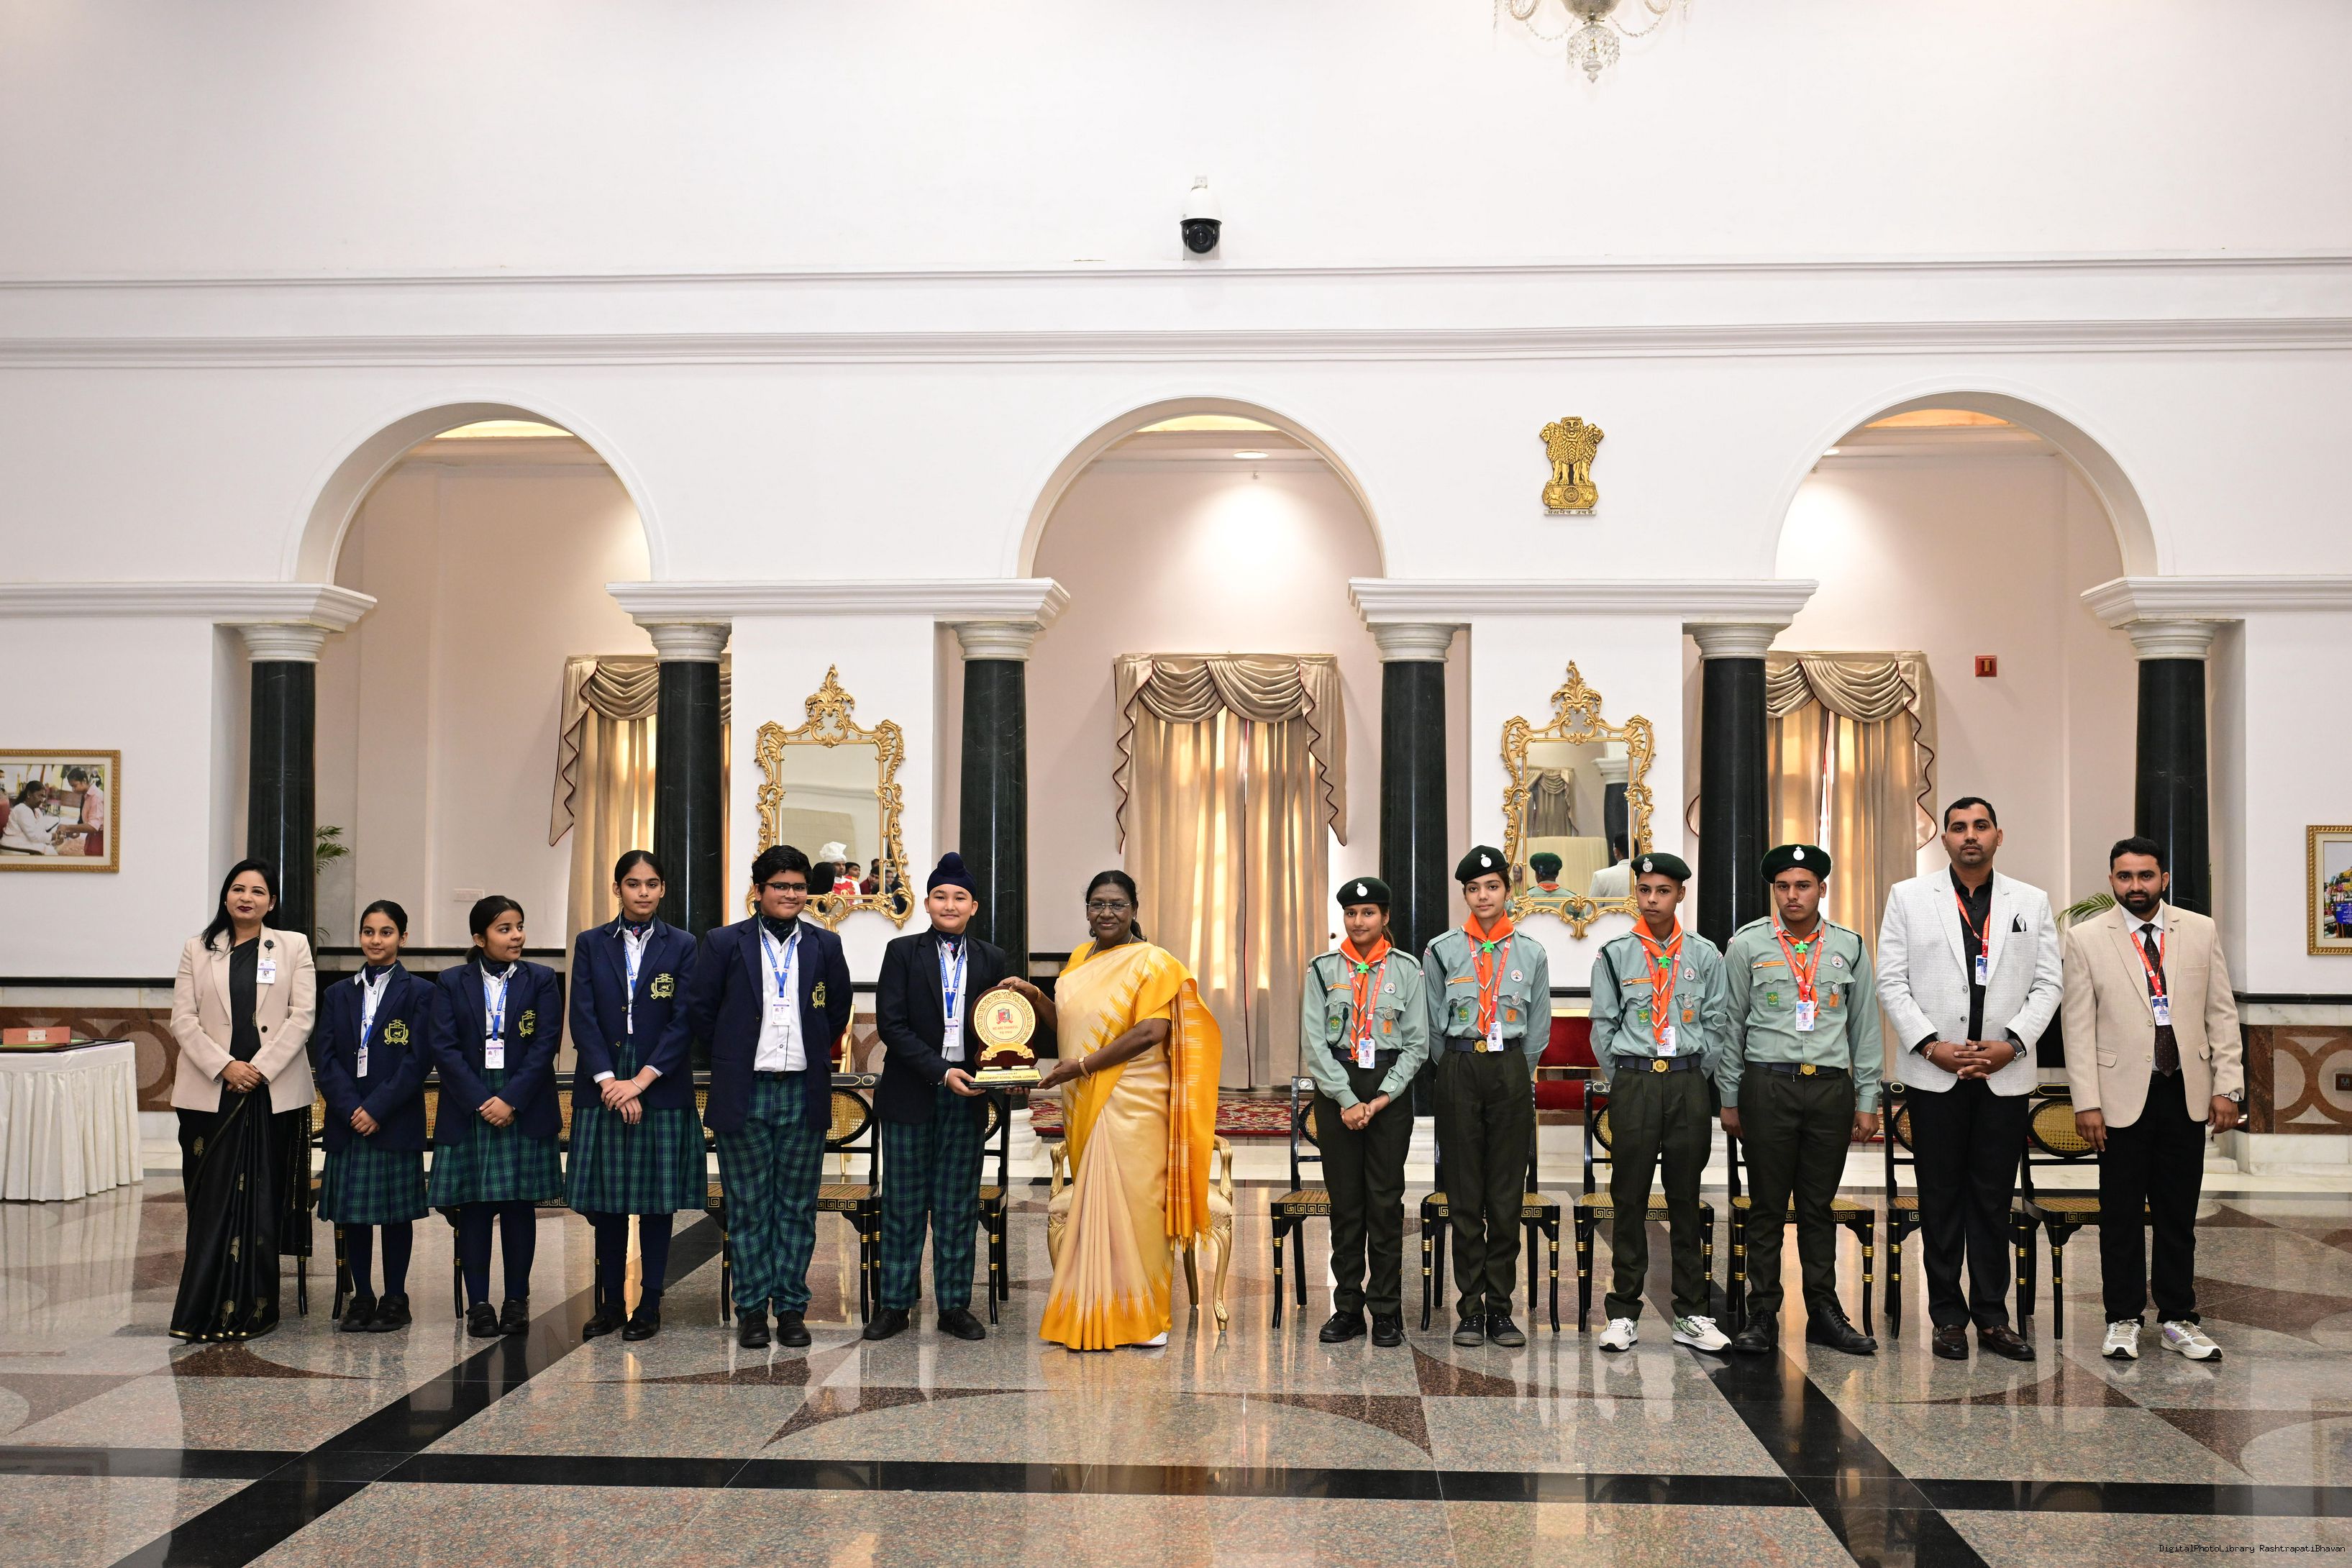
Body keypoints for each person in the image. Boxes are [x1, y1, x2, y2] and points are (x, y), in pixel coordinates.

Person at [1876, 797, 2061, 1362]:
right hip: (1935, 1073)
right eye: (1958, 827)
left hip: (2004, 1074)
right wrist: (1930, 1045)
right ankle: (1947, 1318)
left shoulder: (2031, 901)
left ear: (1999, 835)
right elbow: (1891, 981)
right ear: (1945, 840)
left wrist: (2013, 1043)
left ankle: (1993, 1317)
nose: (1970, 835)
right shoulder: (1909, 897)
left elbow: (2048, 984)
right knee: (1939, 1198)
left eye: (1980, 826)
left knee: (1992, 1198)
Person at [2062, 836, 2244, 1362]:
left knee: (2177, 1216)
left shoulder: (2200, 930)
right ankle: (2121, 1318)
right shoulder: (2086, 938)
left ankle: (2178, 1318)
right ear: (2112, 880)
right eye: (2125, 876)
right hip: (2119, 1098)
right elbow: (2078, 1027)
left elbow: (2221, 1013)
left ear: (2163, 878)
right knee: (2120, 1215)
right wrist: (2086, 1102)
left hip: (2185, 1092)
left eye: (2145, 876)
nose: (2135, 885)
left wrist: (2227, 1087)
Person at [1033, 870, 1223, 1351]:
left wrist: (1081, 1067)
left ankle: (1147, 1317)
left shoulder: (1154, 962)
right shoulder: (1079, 959)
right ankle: (1093, 1311)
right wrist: (1036, 998)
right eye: (1097, 904)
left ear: (1134, 909)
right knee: (1094, 1204)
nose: (1106, 913)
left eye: (1117, 904)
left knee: (1139, 1206)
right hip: (1084, 1096)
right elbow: (1069, 1026)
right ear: (1087, 910)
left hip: (1135, 1099)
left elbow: (1149, 1034)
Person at [685, 844, 852, 1349]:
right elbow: (702, 1010)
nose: (791, 894)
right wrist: (733, 1053)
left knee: (797, 1207)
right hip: (745, 1090)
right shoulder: (723, 942)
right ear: (759, 891)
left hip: (803, 1090)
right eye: (780, 886)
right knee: (749, 1207)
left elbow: (837, 1008)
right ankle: (753, 1310)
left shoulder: (825, 945)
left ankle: (793, 1309)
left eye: (799, 887)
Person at [1717, 844, 1880, 1357]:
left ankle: (1824, 1313)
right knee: (1766, 1205)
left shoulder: (1850, 946)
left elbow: (1865, 1027)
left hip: (1830, 1089)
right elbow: (1730, 1024)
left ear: (1821, 890)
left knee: (1817, 1207)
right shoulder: (1747, 944)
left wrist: (1868, 1097)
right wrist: (1729, 1096)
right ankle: (1762, 1312)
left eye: (1803, 885)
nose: (1792, 895)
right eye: (1783, 886)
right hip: (1768, 1086)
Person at [166, 860, 316, 1341]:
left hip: (271, 1093)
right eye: (238, 889)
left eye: (257, 891)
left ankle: (256, 1308)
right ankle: (199, 1310)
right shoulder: (197, 948)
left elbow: (302, 1015)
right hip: (210, 1093)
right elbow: (183, 1019)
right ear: (226, 897)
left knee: (262, 1201)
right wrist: (226, 1066)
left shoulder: (292, 946)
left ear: (271, 902)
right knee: (210, 1202)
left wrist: (260, 1069)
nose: (246, 897)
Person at [1587, 852, 1731, 1354]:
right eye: (1644, 890)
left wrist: (1692, 1074)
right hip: (1635, 1082)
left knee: (1685, 1197)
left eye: (1663, 891)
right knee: (1628, 1196)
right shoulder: (1614, 954)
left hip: (1688, 1082)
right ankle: (1624, 1312)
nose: (1652, 900)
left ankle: (1690, 1313)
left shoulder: (1705, 955)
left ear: (1680, 894)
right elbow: (1602, 1027)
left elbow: (1716, 1024)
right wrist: (1629, 1076)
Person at [868, 852, 1013, 1342]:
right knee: (903, 1205)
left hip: (967, 1097)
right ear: (927, 904)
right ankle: (894, 1305)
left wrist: (1004, 1070)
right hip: (911, 1094)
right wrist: (941, 1070)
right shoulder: (902, 953)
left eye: (960, 897)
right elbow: (892, 1026)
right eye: (940, 896)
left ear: (974, 906)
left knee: (956, 1206)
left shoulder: (992, 958)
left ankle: (954, 1306)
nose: (950, 905)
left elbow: (1000, 1028)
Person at [567, 851, 703, 1342]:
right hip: (603, 1082)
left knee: (656, 1204)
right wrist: (610, 1082)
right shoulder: (591, 942)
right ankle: (608, 1304)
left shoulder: (683, 944)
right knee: (607, 1204)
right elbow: (582, 1016)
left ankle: (649, 1304)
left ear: (663, 889)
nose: (642, 892)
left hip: (659, 1083)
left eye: (651, 883)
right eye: (632, 883)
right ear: (617, 888)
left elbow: (684, 1020)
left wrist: (640, 1082)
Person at [1423, 845, 1551, 1349]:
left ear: (1508, 890)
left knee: (1504, 1196)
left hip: (1511, 1069)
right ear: (1465, 894)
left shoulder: (1531, 953)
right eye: (1474, 889)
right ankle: (1470, 1309)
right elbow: (1431, 1026)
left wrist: (1516, 1070)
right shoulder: (1441, 950)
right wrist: (1458, 1064)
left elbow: (1538, 1029)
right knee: (1464, 1194)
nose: (1483, 896)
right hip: (1459, 1066)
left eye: (1492, 887)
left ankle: (1501, 1309)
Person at [1298, 876, 1426, 1348]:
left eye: (1369, 913)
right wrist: (1347, 1099)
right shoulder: (1322, 970)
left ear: (1385, 917)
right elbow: (1314, 1043)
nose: (1358, 921)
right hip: (1338, 1090)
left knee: (1385, 1203)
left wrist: (1382, 1098)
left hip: (1388, 1092)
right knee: (1347, 1203)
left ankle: (1386, 1311)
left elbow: (1417, 1044)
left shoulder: (1407, 970)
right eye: (1351, 914)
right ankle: (1348, 1308)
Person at [429, 895, 564, 1339]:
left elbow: (546, 1045)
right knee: (474, 1207)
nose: (517, 936)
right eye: (505, 929)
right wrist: (481, 1100)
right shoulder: (451, 981)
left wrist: (510, 1100)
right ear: (479, 937)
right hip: (469, 1101)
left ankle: (516, 1300)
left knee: (519, 1206)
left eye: (519, 926)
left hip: (523, 1101)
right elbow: (444, 1048)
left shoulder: (541, 979)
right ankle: (480, 1304)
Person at [314, 898, 434, 1334]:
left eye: (386, 932)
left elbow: (419, 1059)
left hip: (394, 1119)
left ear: (403, 937)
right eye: (368, 932)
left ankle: (396, 1297)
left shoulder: (421, 992)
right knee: (354, 1215)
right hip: (348, 1122)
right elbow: (325, 1058)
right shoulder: (337, 993)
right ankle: (362, 1296)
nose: (376, 940)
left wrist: (377, 1108)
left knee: (396, 1215)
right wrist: (352, 1109)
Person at [2, 779, 96, 856]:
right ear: (29, 794)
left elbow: (42, 831)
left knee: (50, 849)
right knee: (49, 852)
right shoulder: (21, 809)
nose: (42, 800)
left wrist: (64, 834)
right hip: (13, 844)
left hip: (26, 841)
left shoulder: (37, 810)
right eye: (40, 795)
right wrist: (55, 836)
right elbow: (34, 836)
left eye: (44, 796)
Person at [63, 765, 106, 859]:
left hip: (100, 837)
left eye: (74, 786)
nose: (73, 790)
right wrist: (77, 829)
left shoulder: (96, 796)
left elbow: (93, 827)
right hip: (93, 836)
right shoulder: (86, 794)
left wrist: (67, 827)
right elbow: (85, 814)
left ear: (84, 781)